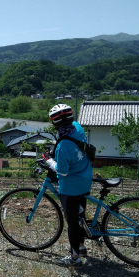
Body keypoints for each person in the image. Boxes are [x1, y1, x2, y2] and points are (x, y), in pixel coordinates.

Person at [43, 104, 93, 267]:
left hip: (71, 187)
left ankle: (74, 258)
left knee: (72, 222)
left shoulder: (63, 146)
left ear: (54, 123)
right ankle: (81, 246)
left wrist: (49, 160)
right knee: (80, 215)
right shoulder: (77, 128)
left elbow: (62, 172)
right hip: (85, 179)